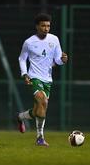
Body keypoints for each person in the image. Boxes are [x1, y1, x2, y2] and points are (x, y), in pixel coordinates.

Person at [18, 13, 68, 146]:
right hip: (34, 77)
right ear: (37, 26)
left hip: (48, 79)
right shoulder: (29, 42)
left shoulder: (54, 39)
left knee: (39, 110)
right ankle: (40, 138)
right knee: (42, 101)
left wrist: (63, 60)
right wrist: (25, 74)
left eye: (48, 26)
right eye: (43, 26)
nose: (46, 28)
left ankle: (21, 116)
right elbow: (22, 59)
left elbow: (57, 60)